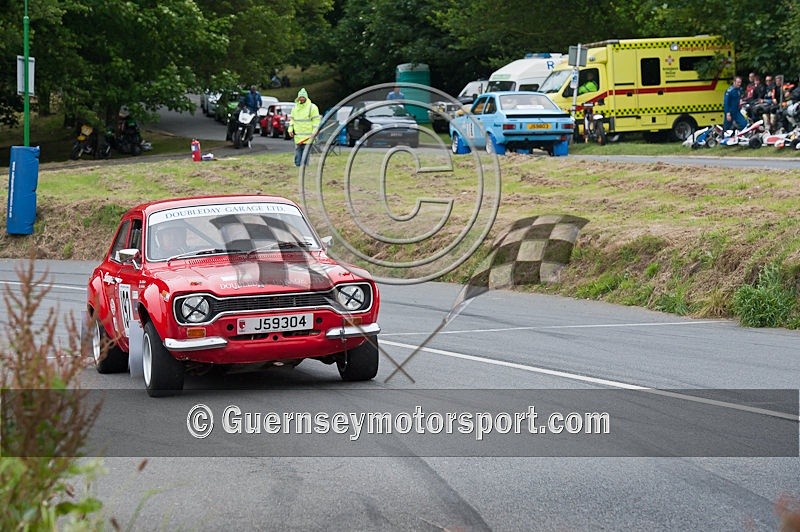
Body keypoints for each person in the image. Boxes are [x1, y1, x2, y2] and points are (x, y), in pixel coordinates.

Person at [288, 88, 320, 167]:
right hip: (298, 135)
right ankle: (298, 164)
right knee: (298, 150)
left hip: (308, 135)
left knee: (306, 151)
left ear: (306, 97)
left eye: (303, 97)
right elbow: (292, 120)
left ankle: (304, 166)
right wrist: (290, 129)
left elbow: (316, 121)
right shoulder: (295, 108)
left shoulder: (312, 108)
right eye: (300, 97)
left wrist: (314, 132)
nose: (301, 99)